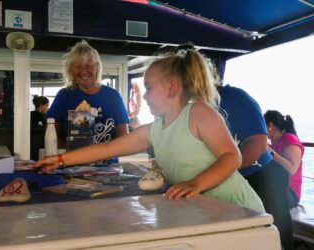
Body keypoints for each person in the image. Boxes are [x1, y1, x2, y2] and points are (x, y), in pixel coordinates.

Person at [35, 48, 264, 212]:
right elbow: (107, 147)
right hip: (204, 209)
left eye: (148, 88)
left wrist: (196, 184)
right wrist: (60, 159)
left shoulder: (198, 112)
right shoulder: (154, 130)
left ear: (172, 87)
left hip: (239, 209)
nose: (143, 95)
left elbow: (232, 156)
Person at [217, 82, 294, 249]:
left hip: (263, 176)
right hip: (234, 180)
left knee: (278, 235)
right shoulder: (198, 105)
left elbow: (258, 144)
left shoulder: (234, 97)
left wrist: (219, 171)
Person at [46, 40, 129, 162]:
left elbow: (124, 136)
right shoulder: (64, 96)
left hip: (107, 167)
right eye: (78, 66)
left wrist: (104, 155)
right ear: (71, 70)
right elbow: (52, 135)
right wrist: (70, 158)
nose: (83, 70)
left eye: (88, 64)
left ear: (97, 67)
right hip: (72, 166)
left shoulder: (113, 96)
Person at [264, 110, 304, 208]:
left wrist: (269, 151)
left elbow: (291, 169)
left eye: (261, 125)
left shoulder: (289, 139)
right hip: (276, 188)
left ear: (270, 125)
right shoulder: (271, 145)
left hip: (290, 194)